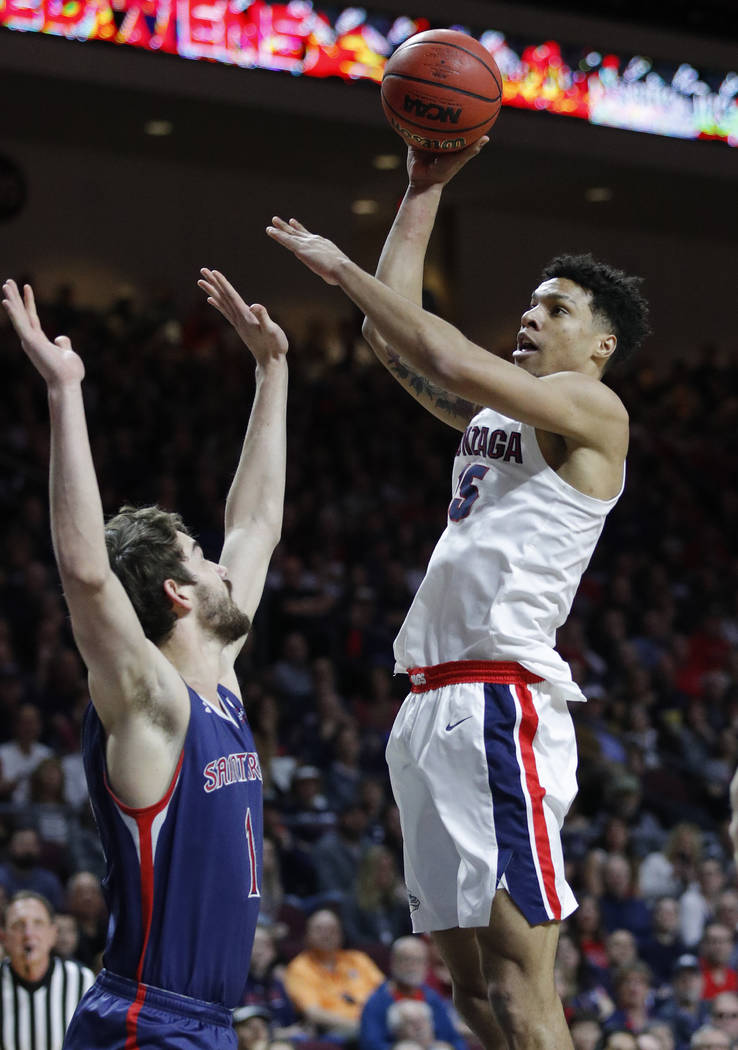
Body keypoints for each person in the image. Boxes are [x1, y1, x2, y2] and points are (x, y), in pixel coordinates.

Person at [267, 134, 650, 1050]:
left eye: (552, 308)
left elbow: (439, 353)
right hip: (430, 707)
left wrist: (338, 264)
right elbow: (391, 333)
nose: (529, 317)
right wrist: (420, 188)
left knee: (524, 990)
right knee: (471, 993)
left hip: (498, 701)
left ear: (599, 344)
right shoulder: (501, 413)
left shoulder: (597, 413)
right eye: (527, 303)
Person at [1, 270, 289, 1049]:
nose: (225, 566)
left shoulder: (220, 674)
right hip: (149, 1022)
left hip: (205, 1024)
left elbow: (257, 521)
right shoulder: (151, 702)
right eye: (203, 558)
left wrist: (272, 371)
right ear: (176, 592)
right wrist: (65, 393)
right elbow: (86, 572)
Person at [0, 891, 94, 1050]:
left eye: (38, 923)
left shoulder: (82, 980)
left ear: (53, 934)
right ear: (3, 938)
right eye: (18, 925)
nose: (29, 934)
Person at [284, 909, 385, 1040]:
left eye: (332, 929)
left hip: (373, 1023)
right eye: (319, 929)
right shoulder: (299, 967)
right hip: (333, 1030)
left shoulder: (358, 959)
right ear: (307, 935)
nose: (326, 935)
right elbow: (313, 1013)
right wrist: (360, 1025)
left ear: (341, 933)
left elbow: (385, 993)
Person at [360, 935, 465, 1050]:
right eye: (406, 960)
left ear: (426, 965)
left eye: (419, 961)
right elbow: (371, 1043)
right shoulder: (377, 1001)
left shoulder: (431, 997)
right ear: (393, 962)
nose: (413, 967)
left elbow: (453, 1038)